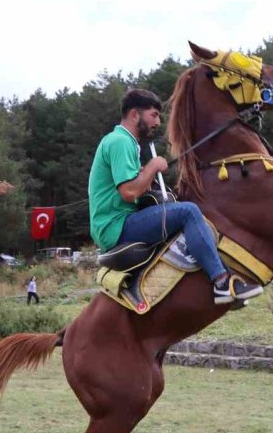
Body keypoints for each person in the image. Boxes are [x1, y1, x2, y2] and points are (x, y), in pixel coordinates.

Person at [88, 88, 262, 305]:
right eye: (153, 115)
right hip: (117, 226)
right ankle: (222, 282)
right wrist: (152, 167)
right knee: (188, 212)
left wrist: (145, 174)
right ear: (134, 115)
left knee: (179, 207)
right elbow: (129, 192)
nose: (158, 122)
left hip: (119, 221)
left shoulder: (125, 143)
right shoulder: (120, 141)